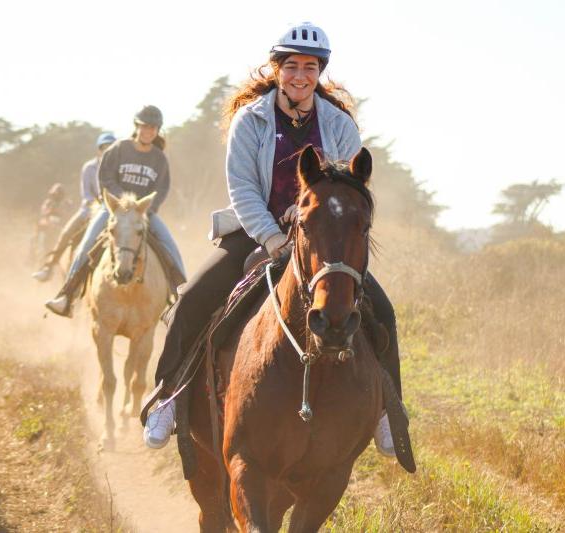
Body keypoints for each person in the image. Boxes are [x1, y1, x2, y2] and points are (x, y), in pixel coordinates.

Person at [144, 22, 404, 457]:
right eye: (291, 66)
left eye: (309, 67)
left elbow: (345, 186)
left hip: (320, 240)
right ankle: (167, 397)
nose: (300, 75)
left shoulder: (339, 125)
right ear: (277, 68)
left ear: (319, 72)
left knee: (383, 311)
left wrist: (307, 221)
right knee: (192, 300)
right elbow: (242, 189)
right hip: (254, 234)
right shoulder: (252, 120)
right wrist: (270, 237)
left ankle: (387, 414)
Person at [45, 105, 186, 317]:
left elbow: (162, 188)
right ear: (137, 127)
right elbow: (106, 179)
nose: (149, 131)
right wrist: (122, 202)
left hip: (143, 213)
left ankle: (181, 300)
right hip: (112, 210)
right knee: (87, 243)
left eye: (153, 128)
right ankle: (66, 296)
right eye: (145, 126)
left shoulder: (159, 158)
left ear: (158, 130)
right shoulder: (118, 149)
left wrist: (147, 209)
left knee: (170, 247)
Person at [32, 132, 117, 282]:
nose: (108, 150)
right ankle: (48, 266)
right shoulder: (89, 167)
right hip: (90, 208)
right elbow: (87, 194)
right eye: (105, 147)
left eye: (111, 147)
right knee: (66, 233)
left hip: (115, 209)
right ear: (99, 149)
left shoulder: (120, 168)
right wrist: (97, 206)